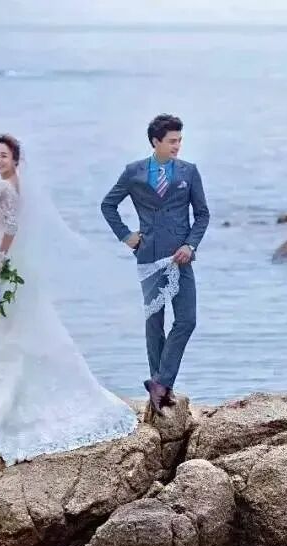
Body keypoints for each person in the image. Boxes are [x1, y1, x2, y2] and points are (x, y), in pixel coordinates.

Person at [0, 134, 138, 464]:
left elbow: (11, 227)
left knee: (4, 324)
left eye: (3, 155)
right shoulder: (19, 186)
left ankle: (2, 396)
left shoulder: (4, 188)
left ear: (15, 159)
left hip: (6, 261)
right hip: (20, 264)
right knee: (23, 322)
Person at [100, 113, 209, 414]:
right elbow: (108, 205)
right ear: (155, 141)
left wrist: (190, 244)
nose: (177, 146)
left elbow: (202, 214)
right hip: (148, 255)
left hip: (180, 257)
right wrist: (127, 236)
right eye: (172, 141)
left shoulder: (189, 172)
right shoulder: (133, 172)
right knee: (154, 323)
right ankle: (160, 391)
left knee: (186, 320)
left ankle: (160, 381)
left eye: (180, 140)